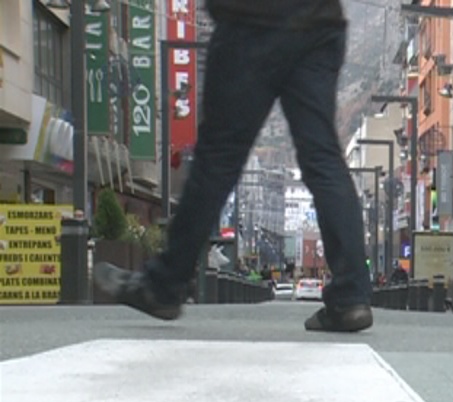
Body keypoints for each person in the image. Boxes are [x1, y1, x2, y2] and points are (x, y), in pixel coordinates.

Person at [93, 0, 372, 333]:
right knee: (323, 157)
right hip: (320, 23)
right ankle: (351, 296)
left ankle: (164, 285)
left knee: (218, 157)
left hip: (252, 20)